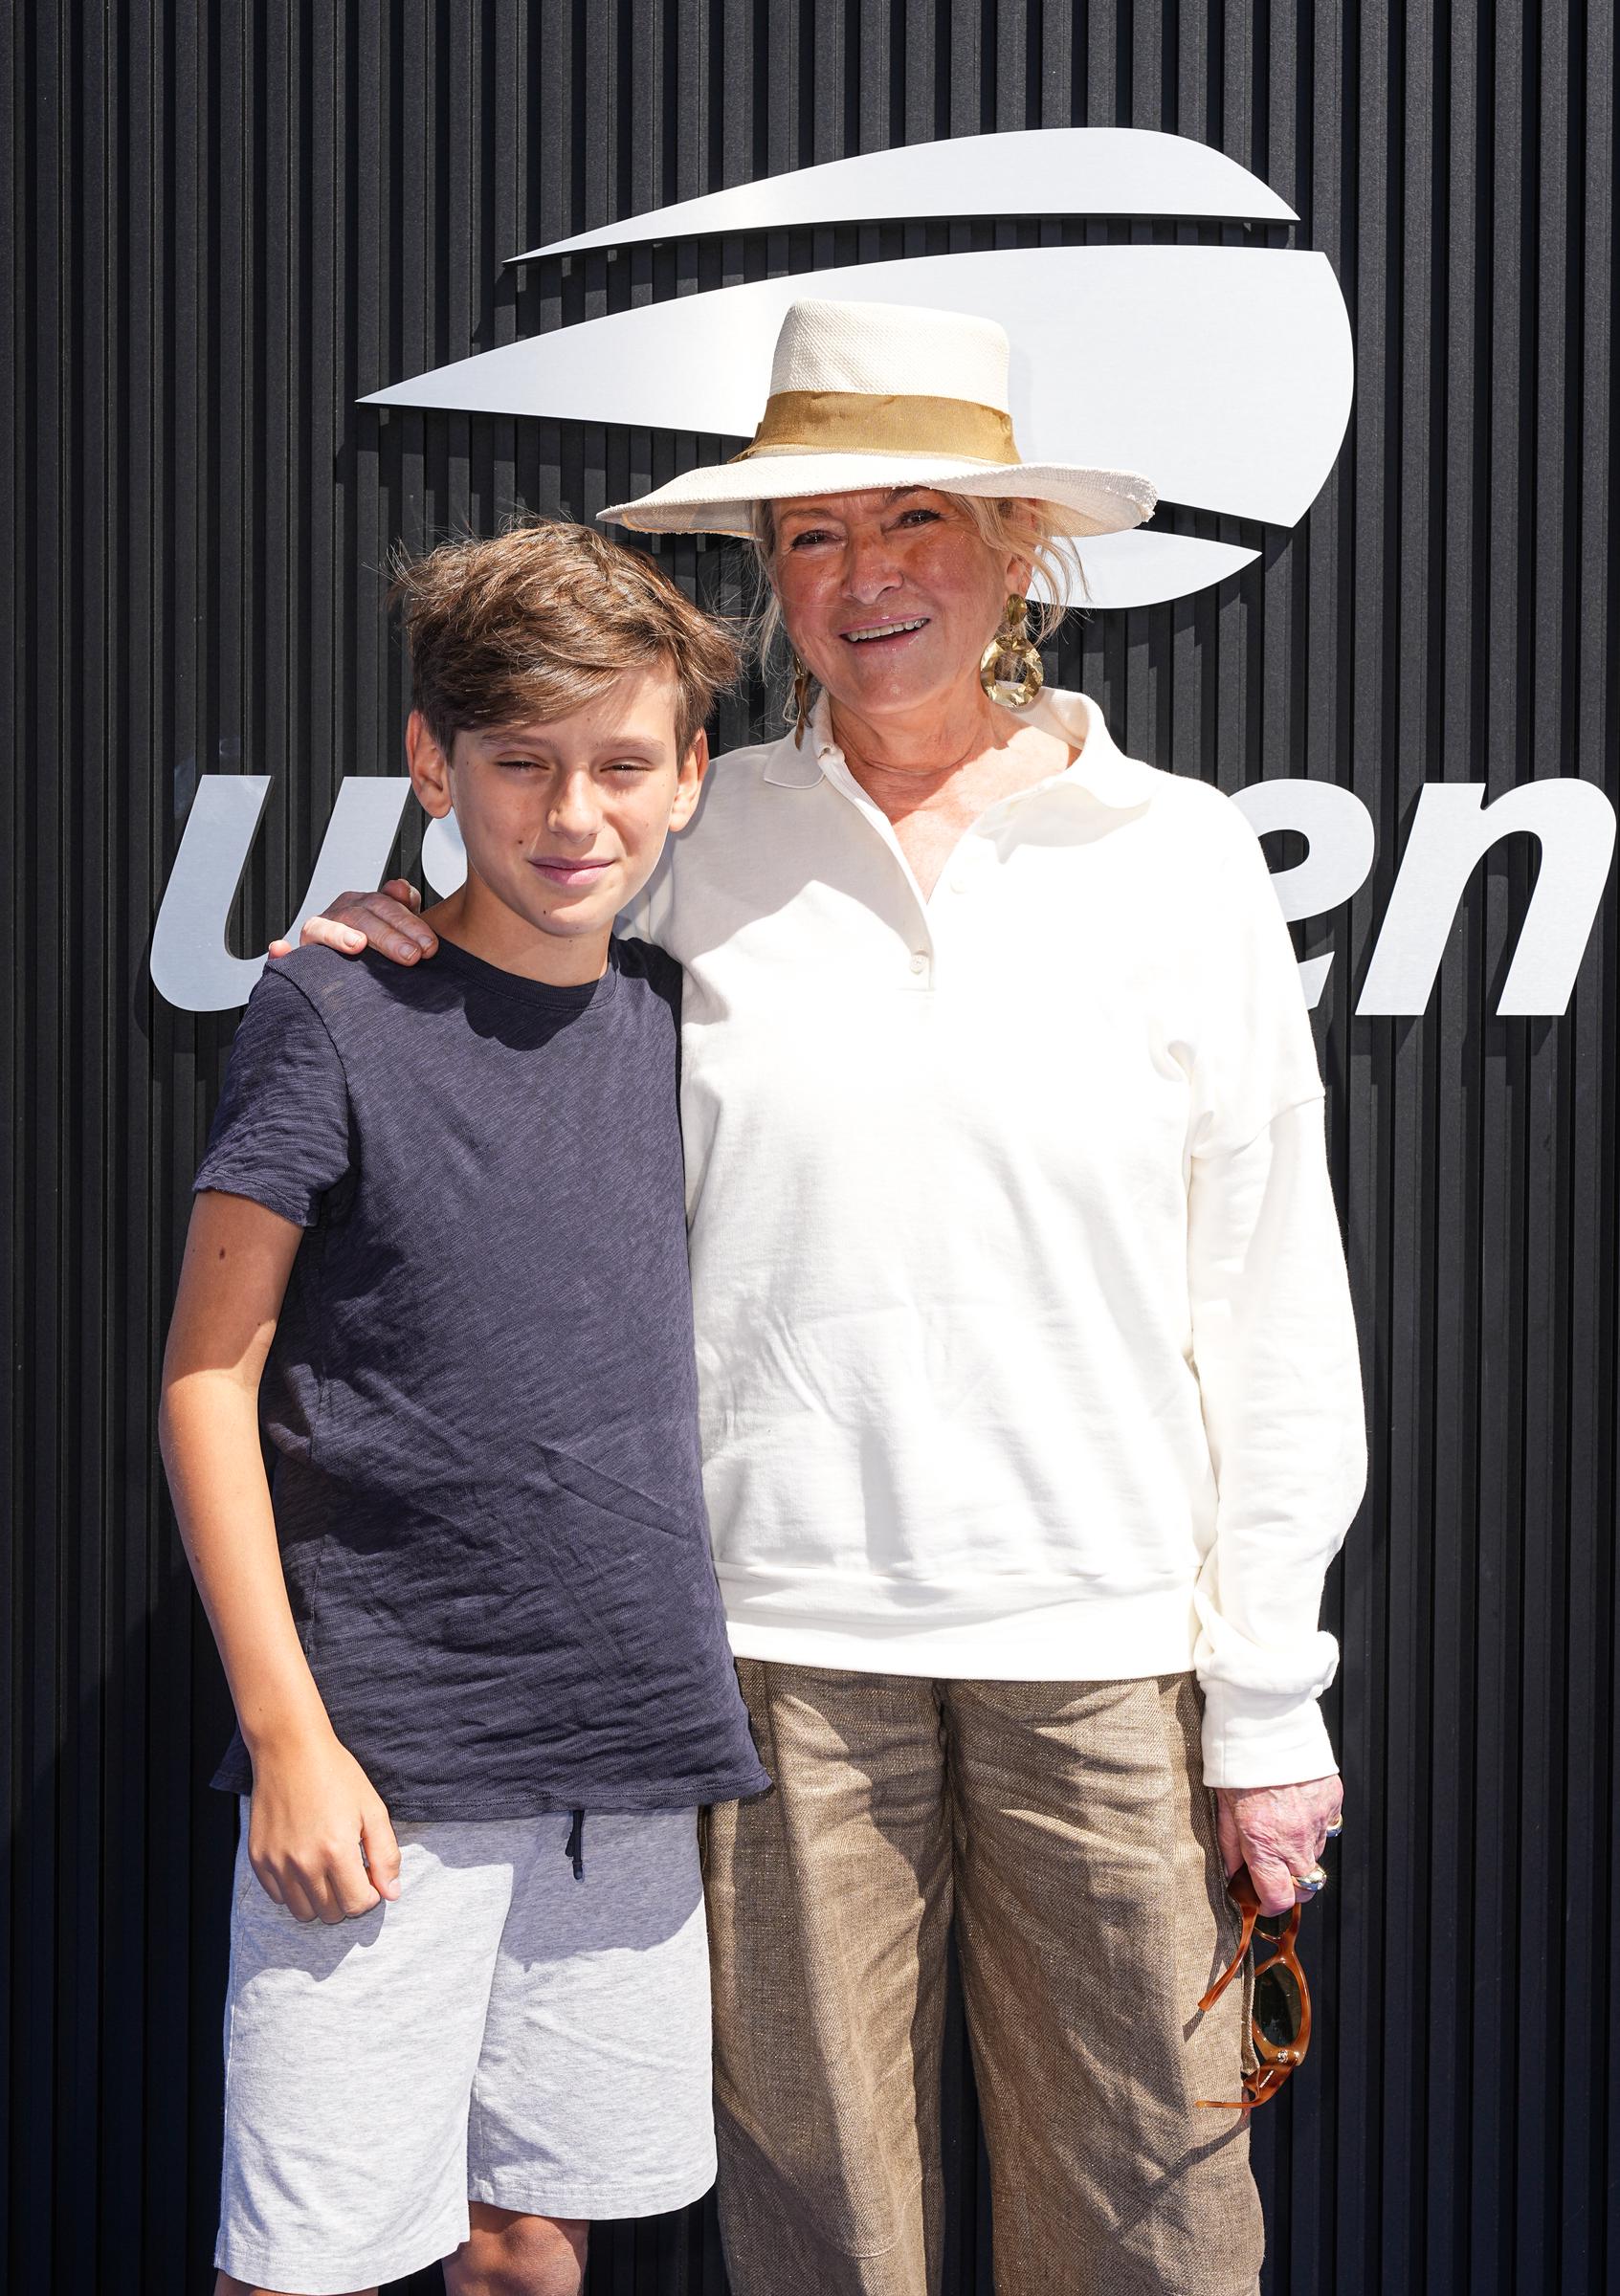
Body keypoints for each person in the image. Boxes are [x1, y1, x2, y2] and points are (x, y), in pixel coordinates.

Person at [297, 298, 1366, 2296]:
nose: (862, 576)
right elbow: (504, 924)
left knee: (1155, 2224)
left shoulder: (1183, 857)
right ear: (764, 578)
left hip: (1105, 1651)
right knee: (821, 2231)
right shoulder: (699, 834)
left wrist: (1267, 1694)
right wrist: (391, 933)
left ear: (1015, 551)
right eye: (808, 534)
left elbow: (1269, 1289)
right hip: (775, 1648)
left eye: (913, 521)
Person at [159, 520, 769, 2296]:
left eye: (619, 766)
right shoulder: (334, 1010)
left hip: (632, 1755)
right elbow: (209, 1376)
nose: (572, 814)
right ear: (433, 764)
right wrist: (287, 1734)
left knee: (527, 2244)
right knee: (313, 2257)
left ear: (685, 780)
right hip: (387, 1771)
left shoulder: (680, 1024)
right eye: (520, 762)